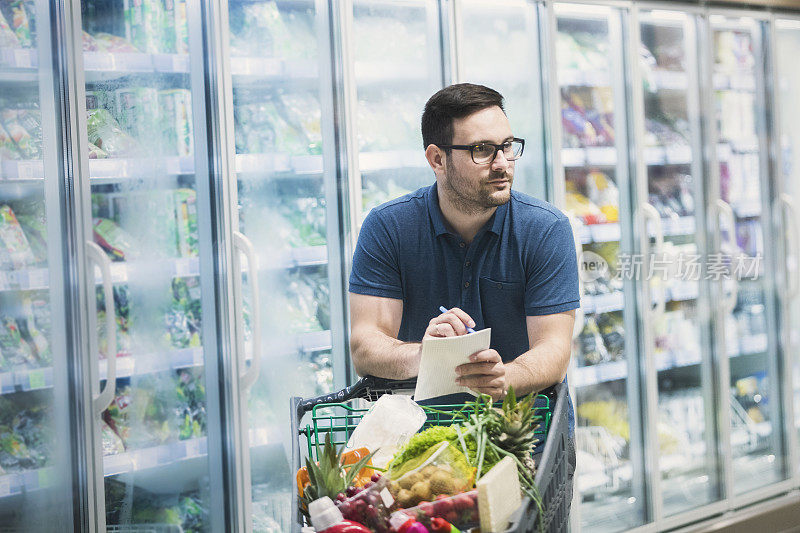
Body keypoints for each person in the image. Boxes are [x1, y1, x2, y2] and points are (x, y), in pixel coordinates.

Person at [348, 83, 579, 505]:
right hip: (415, 452)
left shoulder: (546, 229)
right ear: (437, 159)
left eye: (508, 147)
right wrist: (426, 354)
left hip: (523, 444)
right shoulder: (388, 228)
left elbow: (554, 350)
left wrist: (504, 378)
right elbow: (365, 346)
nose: (503, 163)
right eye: (482, 150)